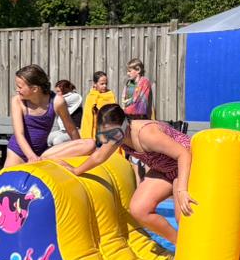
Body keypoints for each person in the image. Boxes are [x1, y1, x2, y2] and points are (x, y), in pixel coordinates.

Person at [59, 104, 193, 245]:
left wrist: (182, 190)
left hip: (186, 164)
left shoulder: (147, 134)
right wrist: (76, 170)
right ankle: (182, 246)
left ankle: (192, 249)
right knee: (139, 210)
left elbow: (183, 154)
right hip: (164, 168)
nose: (111, 139)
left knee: (183, 215)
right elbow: (99, 156)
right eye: (106, 135)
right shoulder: (118, 135)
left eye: (114, 133)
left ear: (124, 125)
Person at [5, 65, 76, 167]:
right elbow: (19, 134)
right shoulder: (17, 101)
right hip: (18, 152)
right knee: (8, 181)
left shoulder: (56, 101)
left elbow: (71, 129)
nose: (17, 90)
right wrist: (31, 157)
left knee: (89, 144)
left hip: (43, 152)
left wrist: (79, 148)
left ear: (34, 89)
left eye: (20, 87)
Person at [80, 71, 116, 139]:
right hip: (96, 132)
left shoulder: (110, 95)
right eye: (102, 84)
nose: (104, 86)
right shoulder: (91, 96)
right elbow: (87, 117)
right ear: (95, 84)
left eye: (106, 83)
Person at [47, 80, 83, 148]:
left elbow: (56, 102)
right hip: (63, 130)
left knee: (57, 141)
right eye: (56, 91)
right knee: (47, 138)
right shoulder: (61, 97)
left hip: (76, 130)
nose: (57, 94)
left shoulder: (75, 96)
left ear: (66, 90)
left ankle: (64, 156)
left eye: (58, 91)